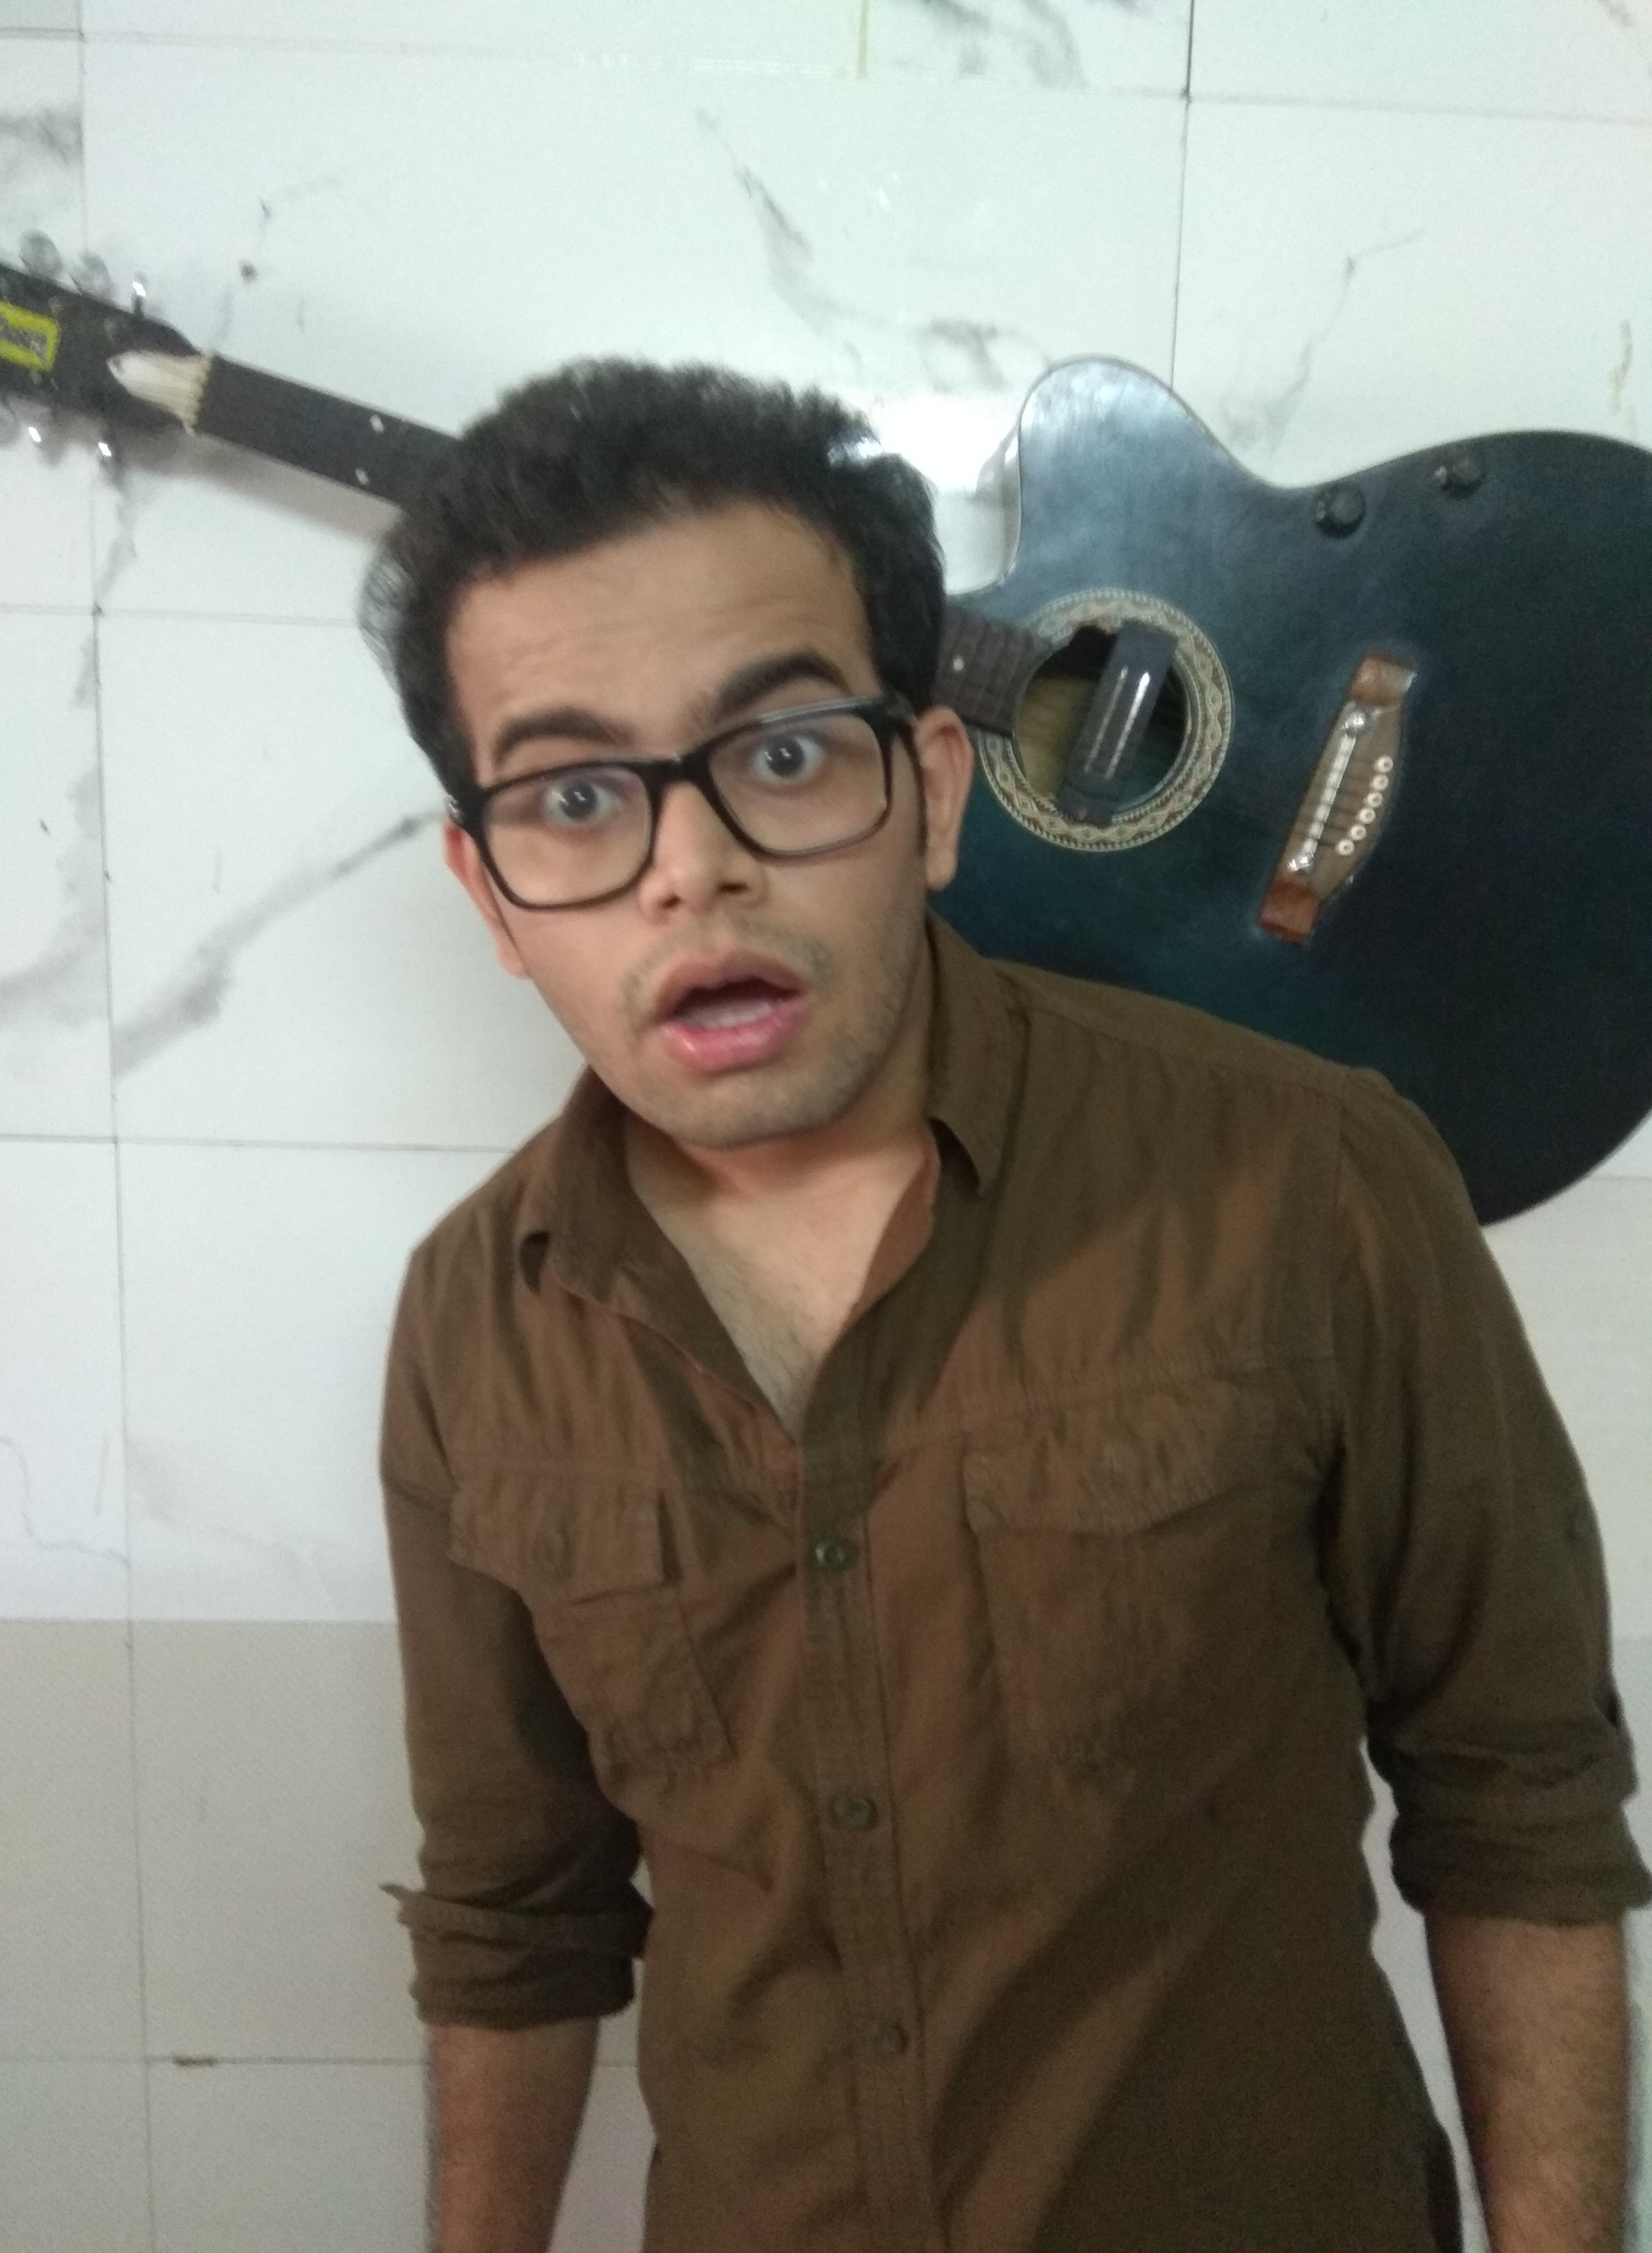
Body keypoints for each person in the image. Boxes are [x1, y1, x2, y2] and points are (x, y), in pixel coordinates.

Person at [362, 361, 1649, 2253]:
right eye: (574, 796)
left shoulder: (1315, 1184)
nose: (691, 869)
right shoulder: (478, 1323)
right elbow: (514, 1925)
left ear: (936, 795)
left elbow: (1518, 1798)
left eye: (784, 754)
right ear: (491, 895)